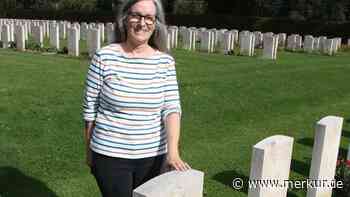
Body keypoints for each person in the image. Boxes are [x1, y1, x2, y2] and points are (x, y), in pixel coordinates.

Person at [82, 0, 190, 196]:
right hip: (109, 156)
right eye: (136, 16)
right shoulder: (104, 57)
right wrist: (89, 152)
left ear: (156, 23)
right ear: (125, 19)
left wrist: (172, 152)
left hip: (154, 156)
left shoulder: (165, 62)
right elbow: (90, 109)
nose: (142, 23)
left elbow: (172, 108)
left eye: (149, 17)